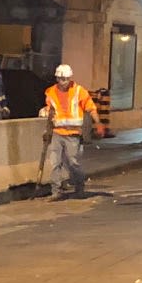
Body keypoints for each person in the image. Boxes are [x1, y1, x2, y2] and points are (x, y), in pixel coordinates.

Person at [40, 63, 106, 200]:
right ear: (57, 78)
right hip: (57, 133)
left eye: (65, 79)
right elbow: (50, 110)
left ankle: (79, 186)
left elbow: (90, 108)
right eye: (60, 79)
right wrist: (45, 119)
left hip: (73, 134)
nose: (62, 82)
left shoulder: (79, 91)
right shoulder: (50, 92)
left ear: (70, 78)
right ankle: (56, 191)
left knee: (73, 162)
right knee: (55, 162)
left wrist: (98, 123)